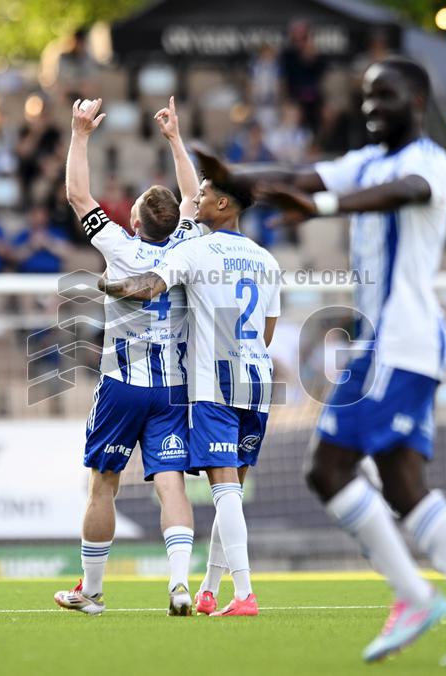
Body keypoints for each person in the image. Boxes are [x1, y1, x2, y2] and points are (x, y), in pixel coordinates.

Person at [193, 55, 446, 663]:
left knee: (328, 470)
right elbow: (300, 174)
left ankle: (415, 597)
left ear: (417, 102)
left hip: (399, 340)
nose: (373, 107)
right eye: (367, 96)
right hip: (398, 341)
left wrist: (320, 208)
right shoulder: (364, 162)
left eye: (386, 95)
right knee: (404, 485)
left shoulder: (426, 160)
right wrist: (236, 176)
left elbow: (405, 194)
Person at [100, 172, 281, 619]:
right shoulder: (266, 259)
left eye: (203, 196)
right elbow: (268, 332)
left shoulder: (195, 250)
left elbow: (150, 287)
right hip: (257, 378)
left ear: (224, 205)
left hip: (213, 382)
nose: (195, 201)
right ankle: (209, 589)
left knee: (224, 488)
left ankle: (245, 593)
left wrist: (111, 286)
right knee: (232, 490)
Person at [53, 96, 206, 617]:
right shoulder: (187, 245)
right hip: (171, 389)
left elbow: (77, 194)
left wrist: (79, 133)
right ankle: (180, 585)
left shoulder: (120, 246)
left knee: (103, 485)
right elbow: (192, 194)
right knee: (171, 484)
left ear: (137, 220)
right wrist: (175, 139)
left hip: (121, 384)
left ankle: (92, 593)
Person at [12, 205, 71, 273]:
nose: (39, 219)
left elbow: (67, 254)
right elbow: (14, 258)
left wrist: (48, 242)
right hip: (28, 276)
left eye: (42, 215)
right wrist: (31, 246)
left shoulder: (57, 232)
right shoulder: (23, 234)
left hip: (53, 275)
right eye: (35, 215)